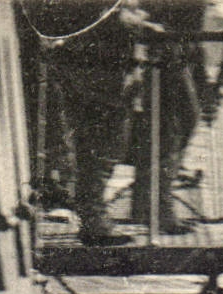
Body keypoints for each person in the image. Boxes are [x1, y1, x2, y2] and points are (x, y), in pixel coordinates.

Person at [24, 0, 148, 246]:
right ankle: (94, 220)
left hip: (95, 63)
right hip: (95, 67)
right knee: (103, 146)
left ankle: (92, 216)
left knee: (98, 146)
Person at [128, 0, 213, 235]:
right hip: (165, 53)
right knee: (169, 129)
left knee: (177, 125)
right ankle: (157, 208)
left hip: (182, 52)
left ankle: (148, 206)